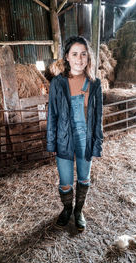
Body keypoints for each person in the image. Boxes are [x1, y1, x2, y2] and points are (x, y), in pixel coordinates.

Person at [47, 36, 103, 231]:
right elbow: (52, 115)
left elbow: (98, 118)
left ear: (88, 58)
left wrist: (97, 144)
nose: (79, 59)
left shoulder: (95, 84)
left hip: (85, 139)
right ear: (67, 58)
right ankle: (66, 209)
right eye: (75, 54)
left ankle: (78, 211)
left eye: (83, 54)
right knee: (65, 181)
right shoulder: (57, 83)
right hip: (64, 137)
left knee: (84, 178)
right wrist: (51, 143)